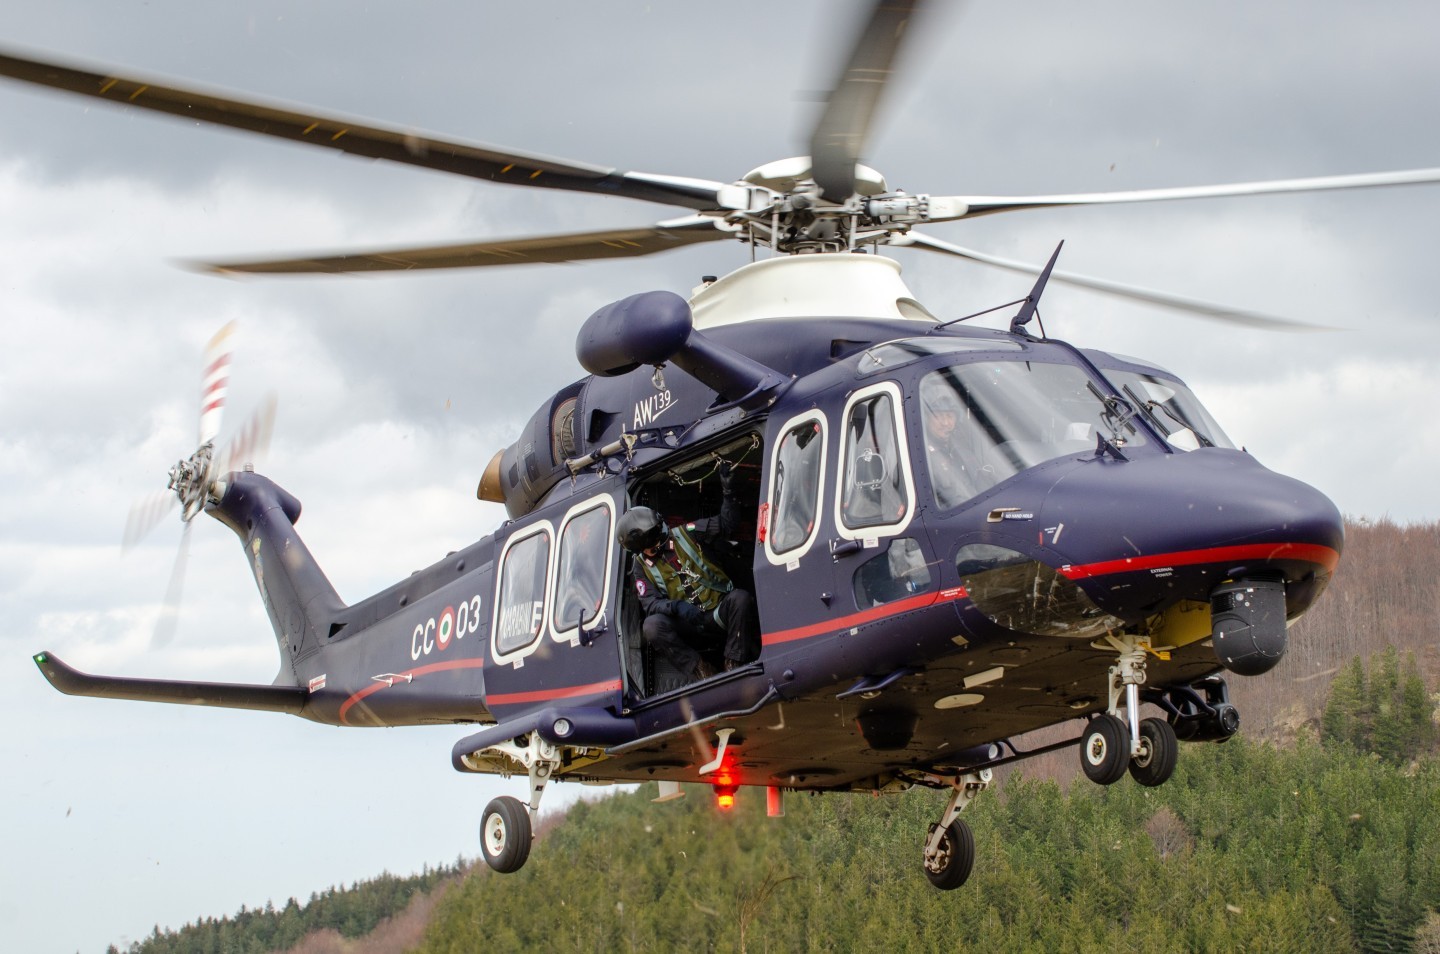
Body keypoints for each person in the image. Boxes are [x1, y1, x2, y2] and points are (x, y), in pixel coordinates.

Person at [617, 481, 760, 682]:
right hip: (690, 624)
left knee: (740, 599)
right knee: (652, 626)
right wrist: (677, 607)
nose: (651, 552)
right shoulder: (641, 567)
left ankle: (733, 665)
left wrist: (729, 491)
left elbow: (727, 524)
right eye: (645, 550)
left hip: (719, 612)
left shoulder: (689, 533)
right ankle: (701, 670)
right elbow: (650, 605)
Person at [922, 381, 978, 509]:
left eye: (949, 416)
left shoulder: (961, 450)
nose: (945, 422)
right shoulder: (921, 454)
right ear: (927, 418)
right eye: (938, 416)